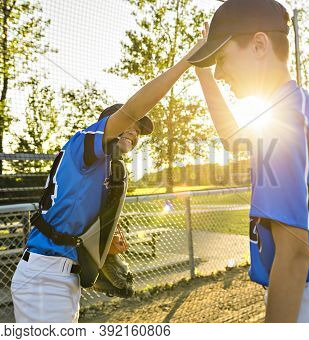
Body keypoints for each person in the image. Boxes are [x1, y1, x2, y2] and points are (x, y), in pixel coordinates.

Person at [189, 0, 309, 323]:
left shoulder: (282, 119)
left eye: (223, 58)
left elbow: (295, 253)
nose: (220, 71)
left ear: (259, 45)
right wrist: (203, 76)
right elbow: (234, 139)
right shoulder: (293, 106)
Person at [11, 38, 205, 323]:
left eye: (139, 130)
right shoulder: (85, 145)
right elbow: (130, 110)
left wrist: (102, 244)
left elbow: (75, 222)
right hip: (45, 278)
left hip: (61, 278)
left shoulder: (104, 170)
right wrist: (188, 60)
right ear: (105, 125)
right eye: (129, 124)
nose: (133, 131)